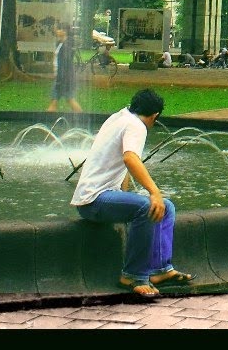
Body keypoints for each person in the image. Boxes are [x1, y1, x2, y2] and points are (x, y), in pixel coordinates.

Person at [70, 88, 193, 299]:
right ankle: (133, 276)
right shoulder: (137, 126)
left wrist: (125, 198)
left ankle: (160, 269)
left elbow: (122, 164)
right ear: (154, 116)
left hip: (100, 198)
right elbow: (130, 159)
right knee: (147, 207)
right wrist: (154, 191)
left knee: (166, 206)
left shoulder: (120, 117)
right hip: (94, 201)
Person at [47, 25, 83, 113]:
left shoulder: (67, 45)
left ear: (64, 31)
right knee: (63, 100)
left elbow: (66, 64)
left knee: (67, 99)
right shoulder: (60, 43)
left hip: (64, 78)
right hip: (61, 77)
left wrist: (61, 78)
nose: (56, 30)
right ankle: (82, 117)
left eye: (59, 29)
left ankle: (82, 117)